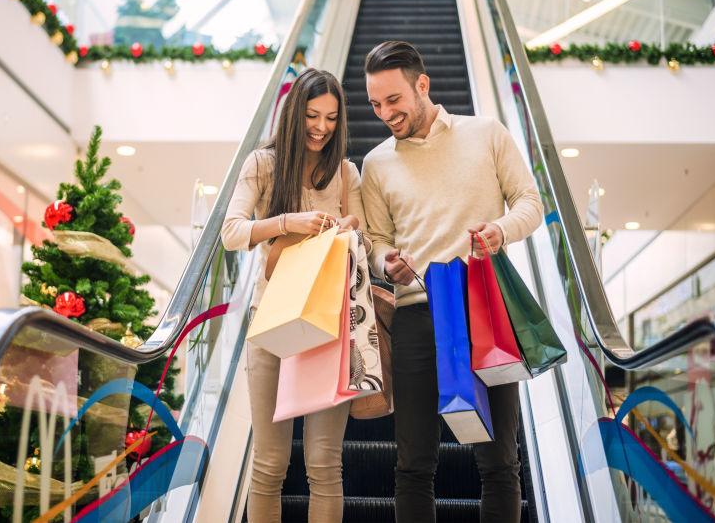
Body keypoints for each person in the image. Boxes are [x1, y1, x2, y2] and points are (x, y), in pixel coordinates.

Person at [359, 40, 543, 523]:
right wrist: (385, 262)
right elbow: (375, 239)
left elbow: (529, 201)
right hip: (417, 315)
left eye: (393, 100)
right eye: (375, 104)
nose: (384, 114)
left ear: (422, 84)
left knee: (499, 460)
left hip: (484, 307)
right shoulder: (376, 163)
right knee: (413, 464)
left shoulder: (486, 133)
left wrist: (500, 230)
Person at [221, 67, 367, 522]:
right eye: (311, 116)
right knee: (268, 464)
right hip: (271, 323)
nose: (321, 127)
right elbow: (231, 233)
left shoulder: (345, 172)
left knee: (325, 464)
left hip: (328, 326)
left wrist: (346, 228)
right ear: (292, 115)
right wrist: (288, 222)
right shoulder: (262, 165)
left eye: (330, 118)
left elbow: (362, 230)